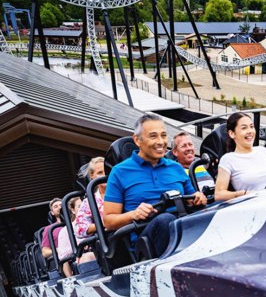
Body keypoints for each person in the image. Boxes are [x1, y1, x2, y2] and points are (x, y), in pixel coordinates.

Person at [103, 113, 207, 256]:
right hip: (147, 241)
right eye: (153, 136)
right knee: (166, 220)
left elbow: (192, 197)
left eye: (163, 136)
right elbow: (108, 221)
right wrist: (134, 214)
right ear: (137, 140)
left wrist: (197, 198)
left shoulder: (176, 168)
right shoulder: (120, 172)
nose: (161, 142)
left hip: (183, 229)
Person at [215, 112, 266, 201]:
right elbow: (219, 195)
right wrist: (243, 194)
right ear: (232, 134)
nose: (250, 131)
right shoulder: (228, 159)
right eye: (244, 128)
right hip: (253, 204)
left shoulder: (263, 151)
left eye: (252, 126)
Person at [74, 156, 106, 239]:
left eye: (107, 171)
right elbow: (79, 229)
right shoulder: (90, 202)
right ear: (92, 175)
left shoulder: (123, 191)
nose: (105, 175)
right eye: (100, 173)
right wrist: (103, 224)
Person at [57, 196, 82, 278]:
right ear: (73, 210)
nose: (83, 208)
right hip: (81, 260)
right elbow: (64, 259)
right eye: (79, 206)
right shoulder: (65, 231)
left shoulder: (97, 220)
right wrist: (71, 279)